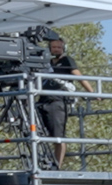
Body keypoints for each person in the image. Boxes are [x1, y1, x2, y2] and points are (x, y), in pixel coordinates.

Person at [33, 27, 92, 167]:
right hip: (42, 100)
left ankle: (57, 166)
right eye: (54, 47)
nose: (56, 49)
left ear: (63, 48)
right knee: (40, 134)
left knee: (58, 136)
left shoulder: (67, 61)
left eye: (59, 47)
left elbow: (79, 76)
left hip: (58, 101)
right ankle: (44, 163)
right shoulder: (45, 62)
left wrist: (91, 92)